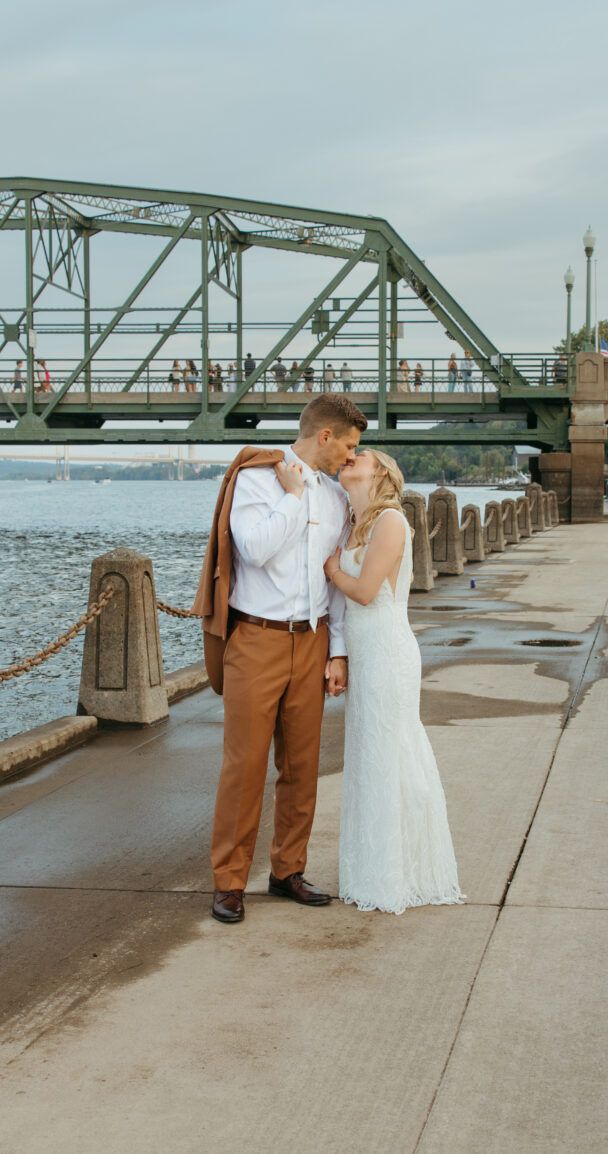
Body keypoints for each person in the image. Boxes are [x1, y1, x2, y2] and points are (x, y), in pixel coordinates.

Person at [193, 394, 366, 925]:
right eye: (350, 446)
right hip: (257, 640)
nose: (352, 458)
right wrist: (293, 498)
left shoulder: (338, 501)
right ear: (325, 437)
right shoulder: (257, 479)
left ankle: (287, 870)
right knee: (244, 767)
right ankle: (229, 882)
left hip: (311, 640)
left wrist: (337, 651)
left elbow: (334, 584)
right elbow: (254, 549)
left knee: (302, 767)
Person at [322, 448, 464, 914]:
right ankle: (372, 868)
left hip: (387, 651)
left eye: (359, 454)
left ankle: (402, 872)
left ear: (380, 471)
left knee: (391, 753)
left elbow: (364, 592)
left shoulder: (390, 521)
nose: (349, 456)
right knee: (369, 756)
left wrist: (332, 571)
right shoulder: (355, 520)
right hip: (365, 654)